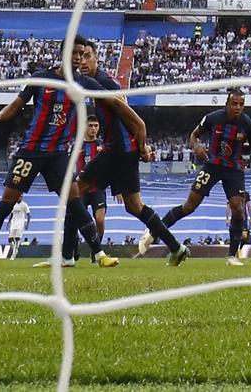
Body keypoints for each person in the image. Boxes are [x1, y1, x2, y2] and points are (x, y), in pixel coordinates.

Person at [0, 58, 111, 269]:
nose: (79, 58)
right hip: (31, 151)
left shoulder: (83, 82)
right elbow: (18, 103)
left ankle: (100, 255)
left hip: (58, 154)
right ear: (65, 55)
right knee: (7, 202)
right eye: (75, 53)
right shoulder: (41, 78)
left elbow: (110, 95)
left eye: (82, 53)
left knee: (74, 201)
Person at [67, 37, 187, 266]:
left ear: (96, 58)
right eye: (79, 56)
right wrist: (140, 145)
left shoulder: (104, 83)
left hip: (117, 151)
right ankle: (176, 247)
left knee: (75, 192)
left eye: (87, 56)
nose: (82, 61)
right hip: (125, 150)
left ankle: (69, 255)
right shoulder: (96, 83)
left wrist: (142, 140)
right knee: (135, 206)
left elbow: (129, 115)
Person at [140, 90, 251, 267]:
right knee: (189, 206)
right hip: (212, 166)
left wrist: (237, 150)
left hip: (234, 169)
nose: (238, 107)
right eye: (234, 103)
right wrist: (197, 148)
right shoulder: (213, 118)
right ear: (227, 103)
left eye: (241, 104)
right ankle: (153, 232)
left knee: (238, 209)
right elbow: (194, 135)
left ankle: (232, 255)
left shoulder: (249, 126)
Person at [75, 118, 110, 245]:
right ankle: (74, 248)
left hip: (98, 189)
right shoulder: (77, 145)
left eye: (96, 125)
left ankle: (98, 247)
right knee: (78, 221)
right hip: (81, 190)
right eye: (90, 125)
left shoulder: (103, 145)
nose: (93, 128)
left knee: (100, 220)